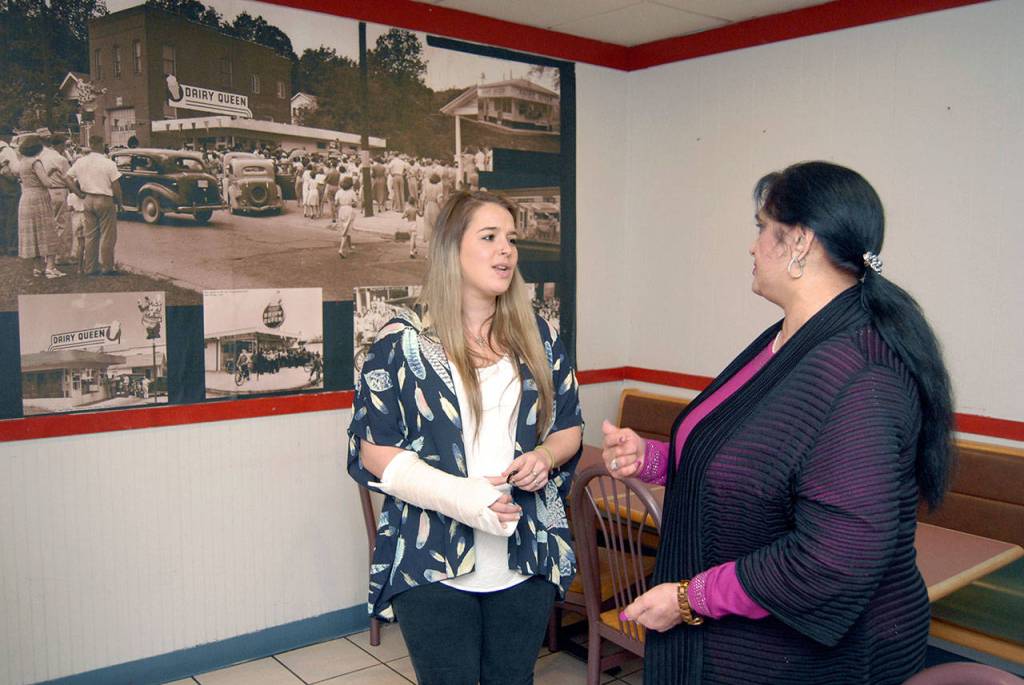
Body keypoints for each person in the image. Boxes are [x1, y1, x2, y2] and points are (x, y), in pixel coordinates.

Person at [601, 161, 955, 685]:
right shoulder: (788, 339)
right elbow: (754, 461)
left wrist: (689, 598)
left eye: (761, 227)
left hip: (815, 662)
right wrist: (653, 459)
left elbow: (834, 559)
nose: (752, 245)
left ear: (800, 243)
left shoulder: (863, 373)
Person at [347, 190, 584, 685]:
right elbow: (374, 450)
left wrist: (543, 456)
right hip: (433, 560)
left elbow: (569, 428)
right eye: (490, 237)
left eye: (512, 240)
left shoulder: (538, 334)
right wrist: (460, 498)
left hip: (524, 555)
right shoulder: (400, 341)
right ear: (453, 248)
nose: (507, 250)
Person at [66, 135, 122, 276]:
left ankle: (90, 267)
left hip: (87, 198)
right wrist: (120, 203)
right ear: (102, 144)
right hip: (104, 198)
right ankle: (107, 267)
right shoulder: (108, 163)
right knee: (107, 235)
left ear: (90, 144)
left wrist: (78, 193)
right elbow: (116, 186)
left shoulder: (81, 162)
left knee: (90, 235)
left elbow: (67, 178)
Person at [15, 134, 66, 278]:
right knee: (47, 230)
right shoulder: (36, 162)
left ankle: (37, 268)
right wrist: (51, 175)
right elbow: (47, 183)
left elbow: (32, 179)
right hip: (39, 198)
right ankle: (50, 267)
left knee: (34, 233)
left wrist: (47, 173)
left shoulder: (23, 162)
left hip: (26, 197)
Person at [0, 134, 20, 256]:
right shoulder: (7, 150)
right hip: (7, 185)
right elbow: (16, 169)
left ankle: (1, 246)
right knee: (12, 215)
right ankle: (12, 246)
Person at [333, 176, 358, 258]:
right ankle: (341, 249)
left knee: (345, 228)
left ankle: (349, 246)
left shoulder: (339, 192)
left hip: (341, 210)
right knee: (346, 229)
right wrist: (352, 203)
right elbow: (355, 204)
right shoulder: (352, 192)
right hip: (349, 210)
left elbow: (336, 204)